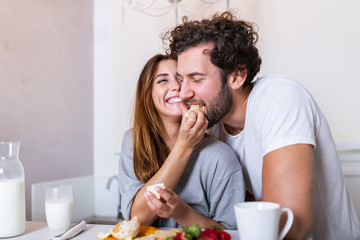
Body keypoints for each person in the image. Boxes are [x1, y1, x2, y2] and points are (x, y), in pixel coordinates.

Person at [163, 11, 360, 239]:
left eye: (196, 79)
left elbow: (292, 227)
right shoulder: (211, 125)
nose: (184, 92)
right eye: (181, 79)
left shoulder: (279, 98)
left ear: (237, 75)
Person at [118, 54, 245, 229]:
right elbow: (137, 219)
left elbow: (230, 233)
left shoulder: (220, 156)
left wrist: (181, 212)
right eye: (163, 81)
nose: (177, 87)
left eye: (181, 79)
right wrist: (184, 146)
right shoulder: (134, 142)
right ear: (147, 94)